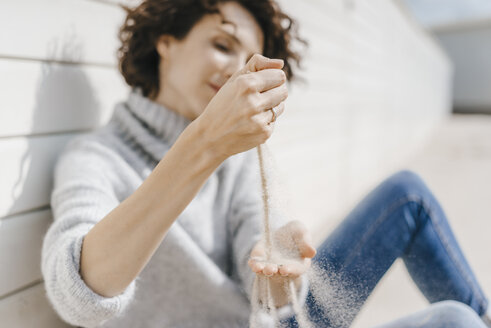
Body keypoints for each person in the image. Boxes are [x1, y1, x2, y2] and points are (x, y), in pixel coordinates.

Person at [41, 0, 491, 327]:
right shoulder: (97, 157)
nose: (236, 71)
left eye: (246, 60)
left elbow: (268, 286)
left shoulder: (233, 160)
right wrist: (203, 143)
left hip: (271, 323)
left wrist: (279, 270)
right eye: (222, 44)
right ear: (166, 42)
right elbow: (79, 297)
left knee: (408, 200)